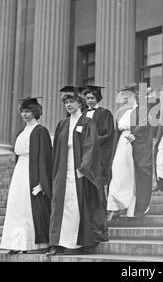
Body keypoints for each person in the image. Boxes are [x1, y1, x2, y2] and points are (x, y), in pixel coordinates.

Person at [47, 86, 102, 256]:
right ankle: (58, 242)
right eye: (66, 102)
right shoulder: (62, 124)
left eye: (72, 101)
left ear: (80, 102)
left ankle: (74, 243)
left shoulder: (87, 122)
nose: (68, 105)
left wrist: (84, 168)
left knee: (74, 204)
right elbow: (56, 149)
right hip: (63, 170)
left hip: (78, 170)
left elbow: (91, 146)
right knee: (60, 205)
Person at [0, 97, 52, 255]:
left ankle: (33, 244)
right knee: (17, 207)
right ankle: (16, 242)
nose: (24, 114)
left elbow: (45, 158)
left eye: (28, 111)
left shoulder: (41, 131)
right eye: (22, 111)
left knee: (30, 208)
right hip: (19, 172)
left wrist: (43, 182)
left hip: (33, 173)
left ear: (35, 112)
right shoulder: (21, 132)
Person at [107, 83, 153, 220]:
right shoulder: (121, 112)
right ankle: (114, 208)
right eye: (123, 97)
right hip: (122, 143)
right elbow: (116, 130)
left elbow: (143, 126)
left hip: (135, 144)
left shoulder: (142, 110)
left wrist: (134, 135)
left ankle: (133, 209)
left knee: (132, 175)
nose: (125, 99)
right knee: (117, 171)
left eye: (127, 97)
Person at [83, 85, 114, 242]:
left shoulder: (105, 114)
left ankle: (101, 221)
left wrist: (92, 143)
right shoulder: (82, 114)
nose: (89, 100)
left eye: (92, 98)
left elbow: (108, 135)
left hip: (99, 155)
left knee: (99, 187)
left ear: (97, 99)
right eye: (87, 98)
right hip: (84, 156)